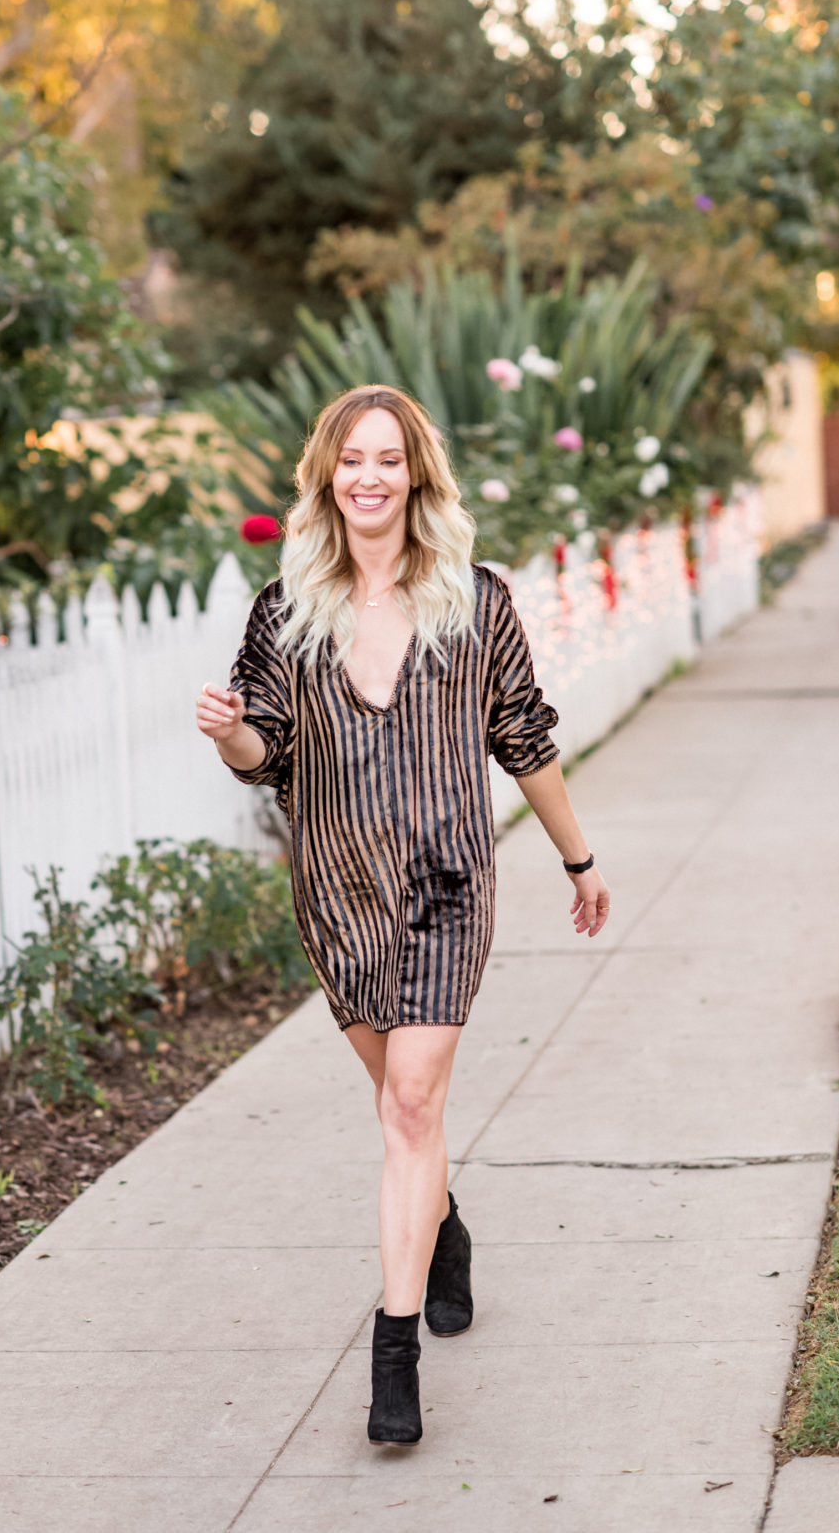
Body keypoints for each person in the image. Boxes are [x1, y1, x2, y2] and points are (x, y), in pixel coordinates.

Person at [196, 384, 610, 1447]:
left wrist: (579, 856)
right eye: (351, 461)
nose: (369, 477)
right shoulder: (287, 609)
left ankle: (393, 1361)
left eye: (388, 459)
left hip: (443, 886)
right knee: (401, 1109)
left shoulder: (473, 600)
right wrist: (229, 733)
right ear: (326, 476)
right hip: (336, 895)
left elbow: (525, 736)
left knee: (412, 1108)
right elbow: (267, 756)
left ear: (416, 474)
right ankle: (447, 1228)